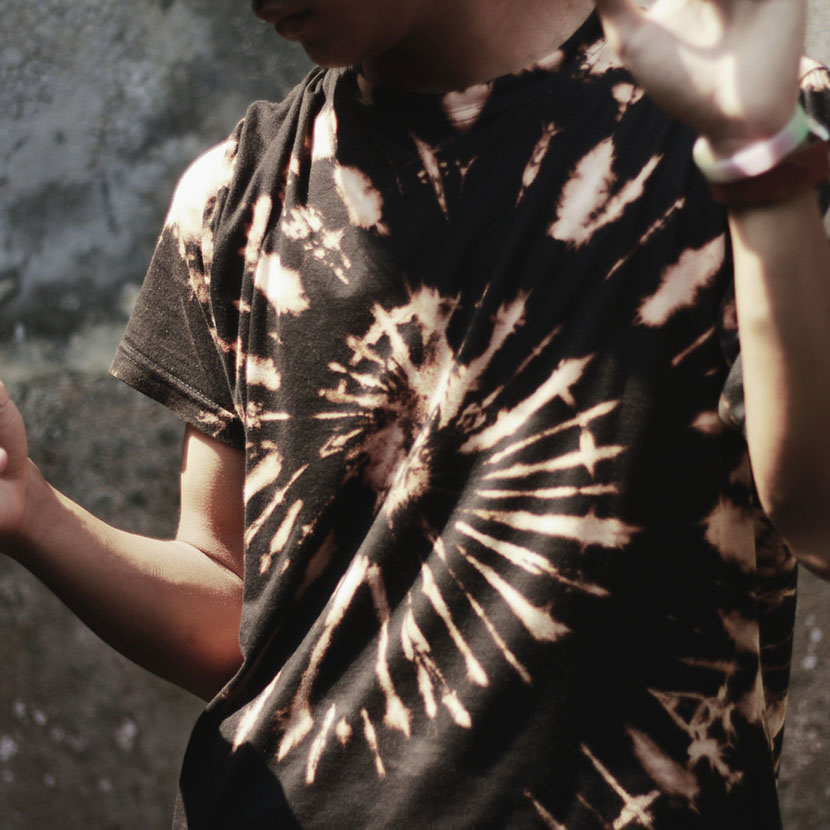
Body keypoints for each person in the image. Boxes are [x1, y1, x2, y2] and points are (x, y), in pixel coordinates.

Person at [2, 0, 830, 826]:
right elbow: (233, 608)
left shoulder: (748, 120)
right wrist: (30, 508)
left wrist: (760, 161)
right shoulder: (232, 195)